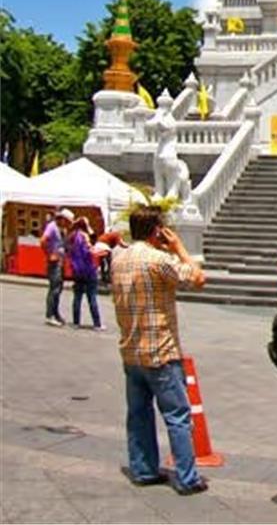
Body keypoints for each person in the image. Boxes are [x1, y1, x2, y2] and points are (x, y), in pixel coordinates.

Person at [110, 204, 207, 493]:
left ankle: (143, 469)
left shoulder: (119, 259)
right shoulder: (158, 259)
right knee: (177, 416)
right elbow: (198, 278)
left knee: (138, 414)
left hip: (131, 350)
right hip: (161, 351)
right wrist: (179, 247)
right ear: (157, 231)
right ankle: (188, 477)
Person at [68, 217, 103, 330]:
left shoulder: (72, 236)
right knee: (92, 296)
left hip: (77, 270)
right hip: (88, 269)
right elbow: (91, 249)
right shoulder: (85, 236)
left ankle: (76, 322)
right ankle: (97, 323)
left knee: (77, 297)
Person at [40, 208, 73, 326]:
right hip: (54, 262)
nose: (68, 224)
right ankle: (49, 315)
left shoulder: (62, 229)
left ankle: (55, 313)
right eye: (67, 221)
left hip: (60, 261)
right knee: (54, 289)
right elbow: (43, 240)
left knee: (58, 288)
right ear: (62, 219)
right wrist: (49, 254)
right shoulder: (52, 227)